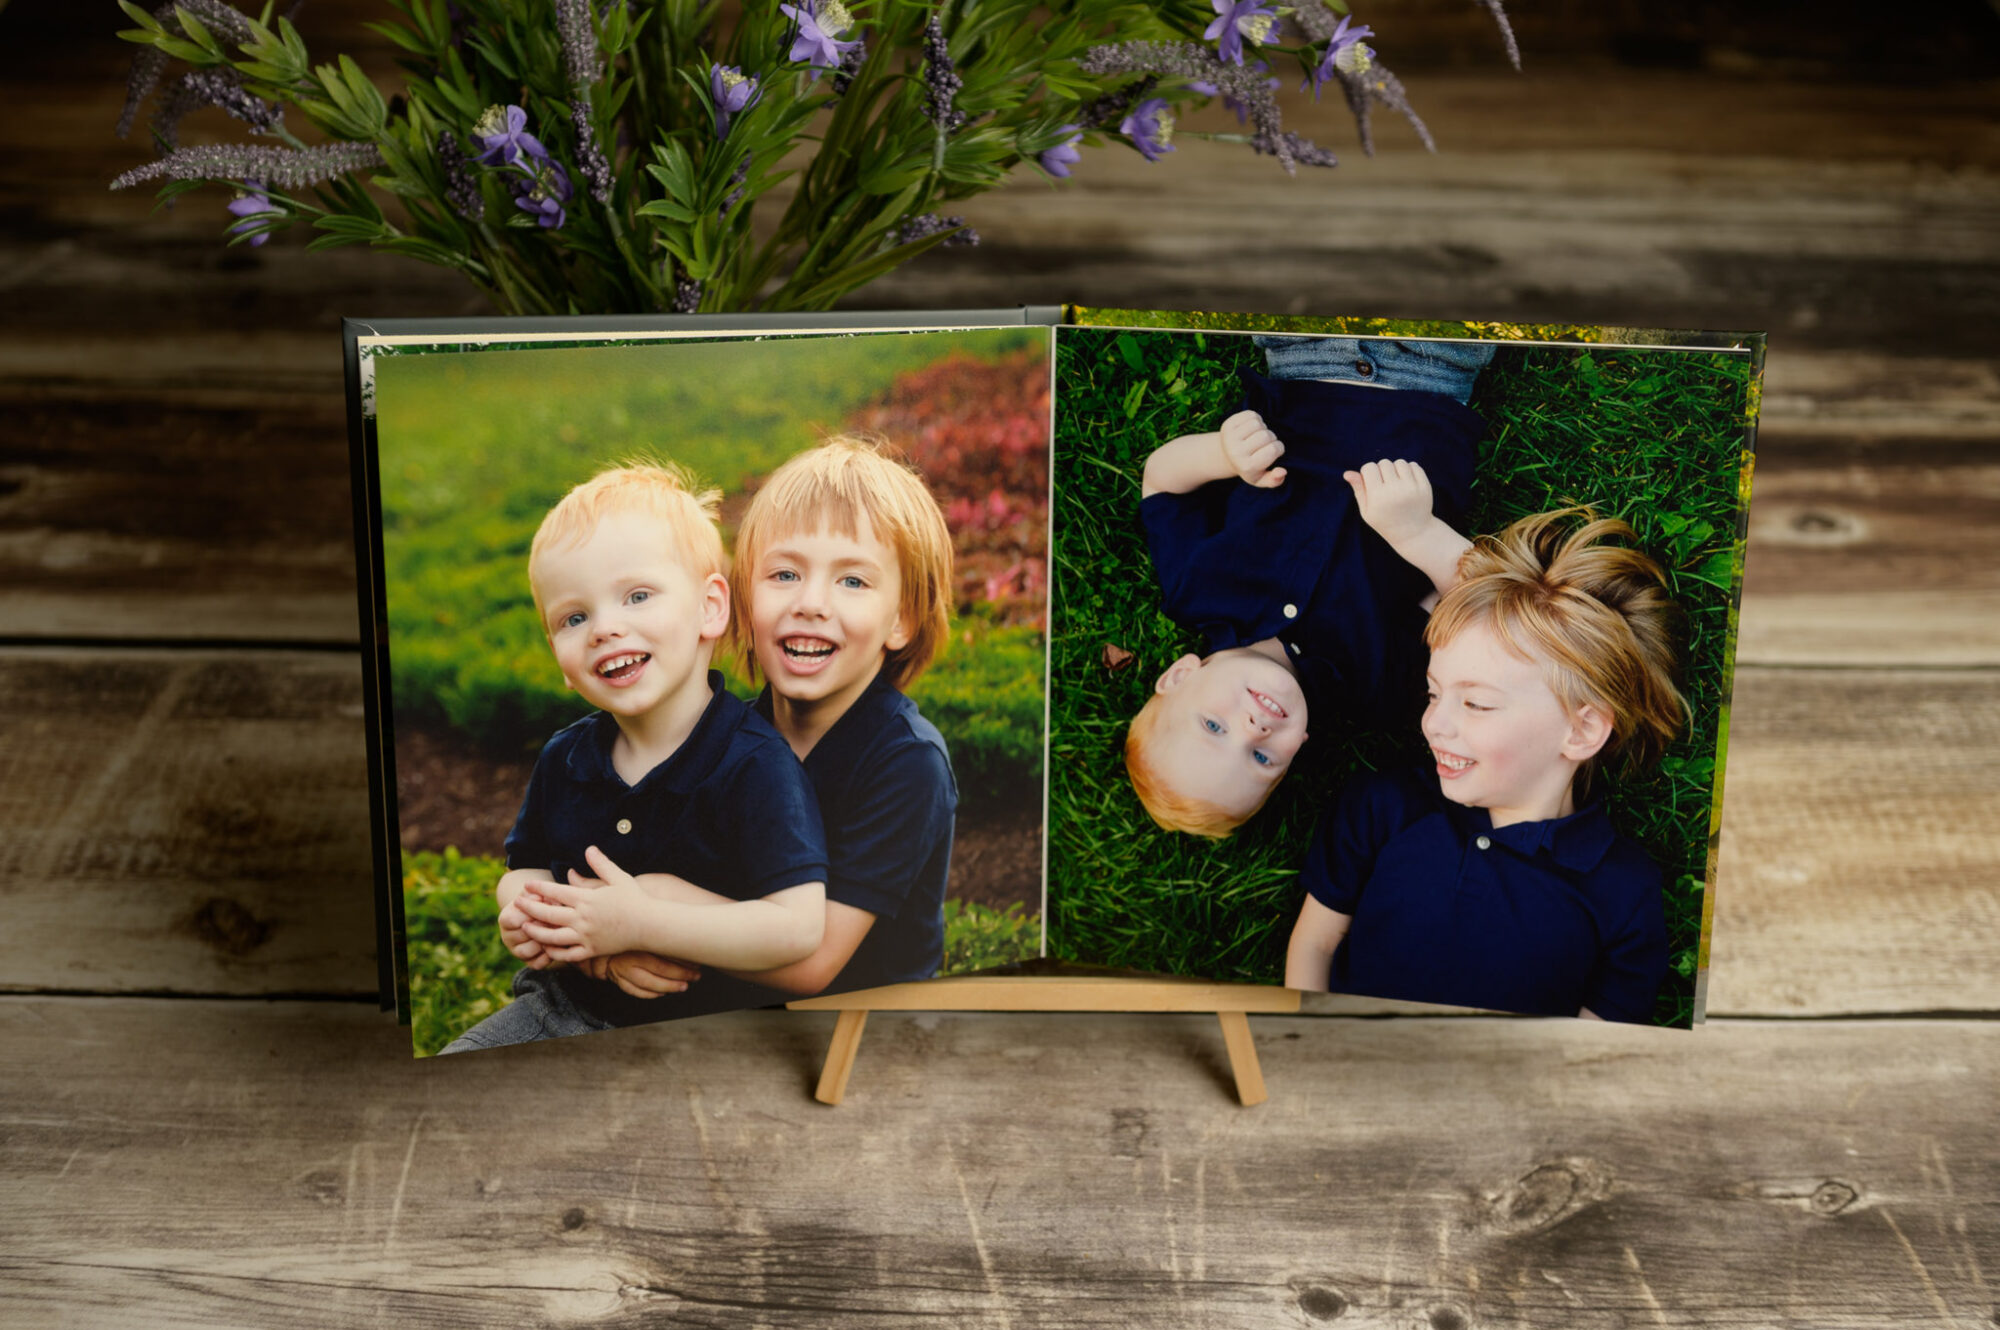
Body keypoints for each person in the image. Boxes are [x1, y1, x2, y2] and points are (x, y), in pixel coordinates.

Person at [438, 463, 828, 1053]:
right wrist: (525, 909)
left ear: (709, 608)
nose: (604, 629)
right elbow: (525, 870)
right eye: (574, 618)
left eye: (637, 596)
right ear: (556, 650)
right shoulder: (566, 759)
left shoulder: (754, 765)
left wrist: (639, 924)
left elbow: (796, 927)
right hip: (562, 1010)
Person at [564, 435, 960, 1014]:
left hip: (852, 1028)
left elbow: (812, 964)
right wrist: (605, 948)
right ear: (744, 601)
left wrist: (649, 913)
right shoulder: (728, 738)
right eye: (784, 575)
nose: (811, 603)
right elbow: (605, 889)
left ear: (902, 619)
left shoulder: (907, 763)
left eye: (852, 581)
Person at [1282, 509, 1687, 1024]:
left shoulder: (1623, 891)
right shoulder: (1383, 809)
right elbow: (1316, 944)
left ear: (1581, 731)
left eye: (1477, 704)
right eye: (1433, 693)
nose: (1434, 723)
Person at [1126, 336, 1496, 836]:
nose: (1253, 730)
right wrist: (1418, 533)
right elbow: (1480, 604)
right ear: (1296, 751)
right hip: (1432, 376)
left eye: (1214, 726)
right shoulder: (1375, 687)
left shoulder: (1196, 590)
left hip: (1303, 356)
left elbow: (1161, 482)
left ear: (1178, 677)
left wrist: (1223, 455)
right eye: (1261, 759)